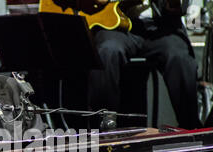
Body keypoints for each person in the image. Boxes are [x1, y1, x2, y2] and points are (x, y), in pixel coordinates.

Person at [69, 0, 203, 129]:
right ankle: (103, 127)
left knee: (180, 56)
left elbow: (186, 10)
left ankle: (190, 128)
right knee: (107, 51)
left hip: (161, 27)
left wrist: (176, 6)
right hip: (113, 25)